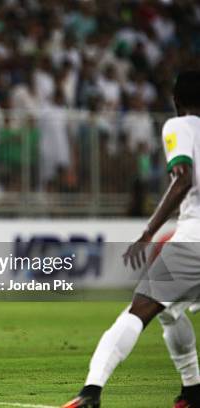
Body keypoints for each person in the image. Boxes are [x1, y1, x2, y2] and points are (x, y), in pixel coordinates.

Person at [63, 71, 200, 408]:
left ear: (176, 100)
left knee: (140, 310)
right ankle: (193, 391)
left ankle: (91, 391)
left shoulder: (179, 126)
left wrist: (149, 231)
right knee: (171, 311)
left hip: (195, 236)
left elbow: (182, 179)